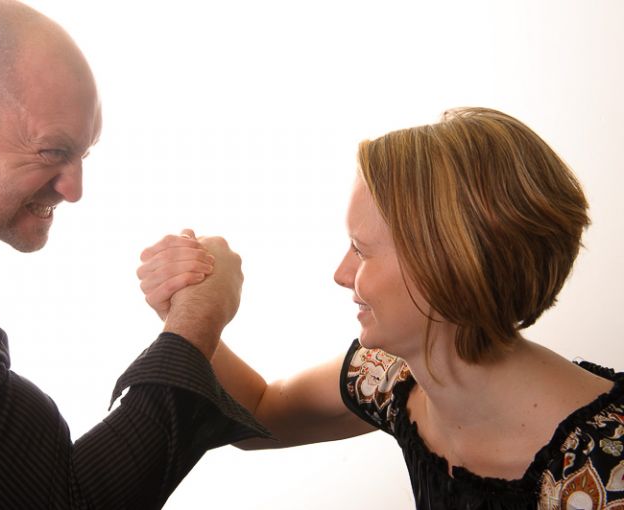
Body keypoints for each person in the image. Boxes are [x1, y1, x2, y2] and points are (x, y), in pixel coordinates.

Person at [0, 1, 269, 508]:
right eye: (52, 152)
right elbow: (65, 500)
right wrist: (196, 322)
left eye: (83, 153)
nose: (75, 191)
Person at [138, 107, 624, 509]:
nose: (341, 273)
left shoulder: (606, 471)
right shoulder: (396, 378)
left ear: (446, 266)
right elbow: (257, 416)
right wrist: (187, 315)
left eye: (361, 250)